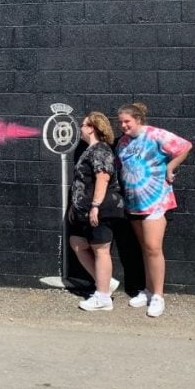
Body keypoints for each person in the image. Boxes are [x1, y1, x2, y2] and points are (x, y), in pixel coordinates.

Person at [116, 102, 191, 318]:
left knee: (153, 248)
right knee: (144, 249)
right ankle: (148, 290)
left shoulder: (155, 134)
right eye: (120, 122)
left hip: (156, 200)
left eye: (127, 121)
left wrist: (170, 167)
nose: (123, 125)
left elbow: (184, 146)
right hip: (134, 202)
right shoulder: (122, 143)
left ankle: (158, 296)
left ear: (138, 119)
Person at [68, 111, 125, 312]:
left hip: (102, 209)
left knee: (101, 250)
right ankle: (105, 283)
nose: (81, 129)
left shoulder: (100, 149)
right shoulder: (91, 150)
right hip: (87, 211)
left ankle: (103, 298)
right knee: (77, 243)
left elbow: (103, 178)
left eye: (83, 125)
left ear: (92, 127)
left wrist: (95, 206)